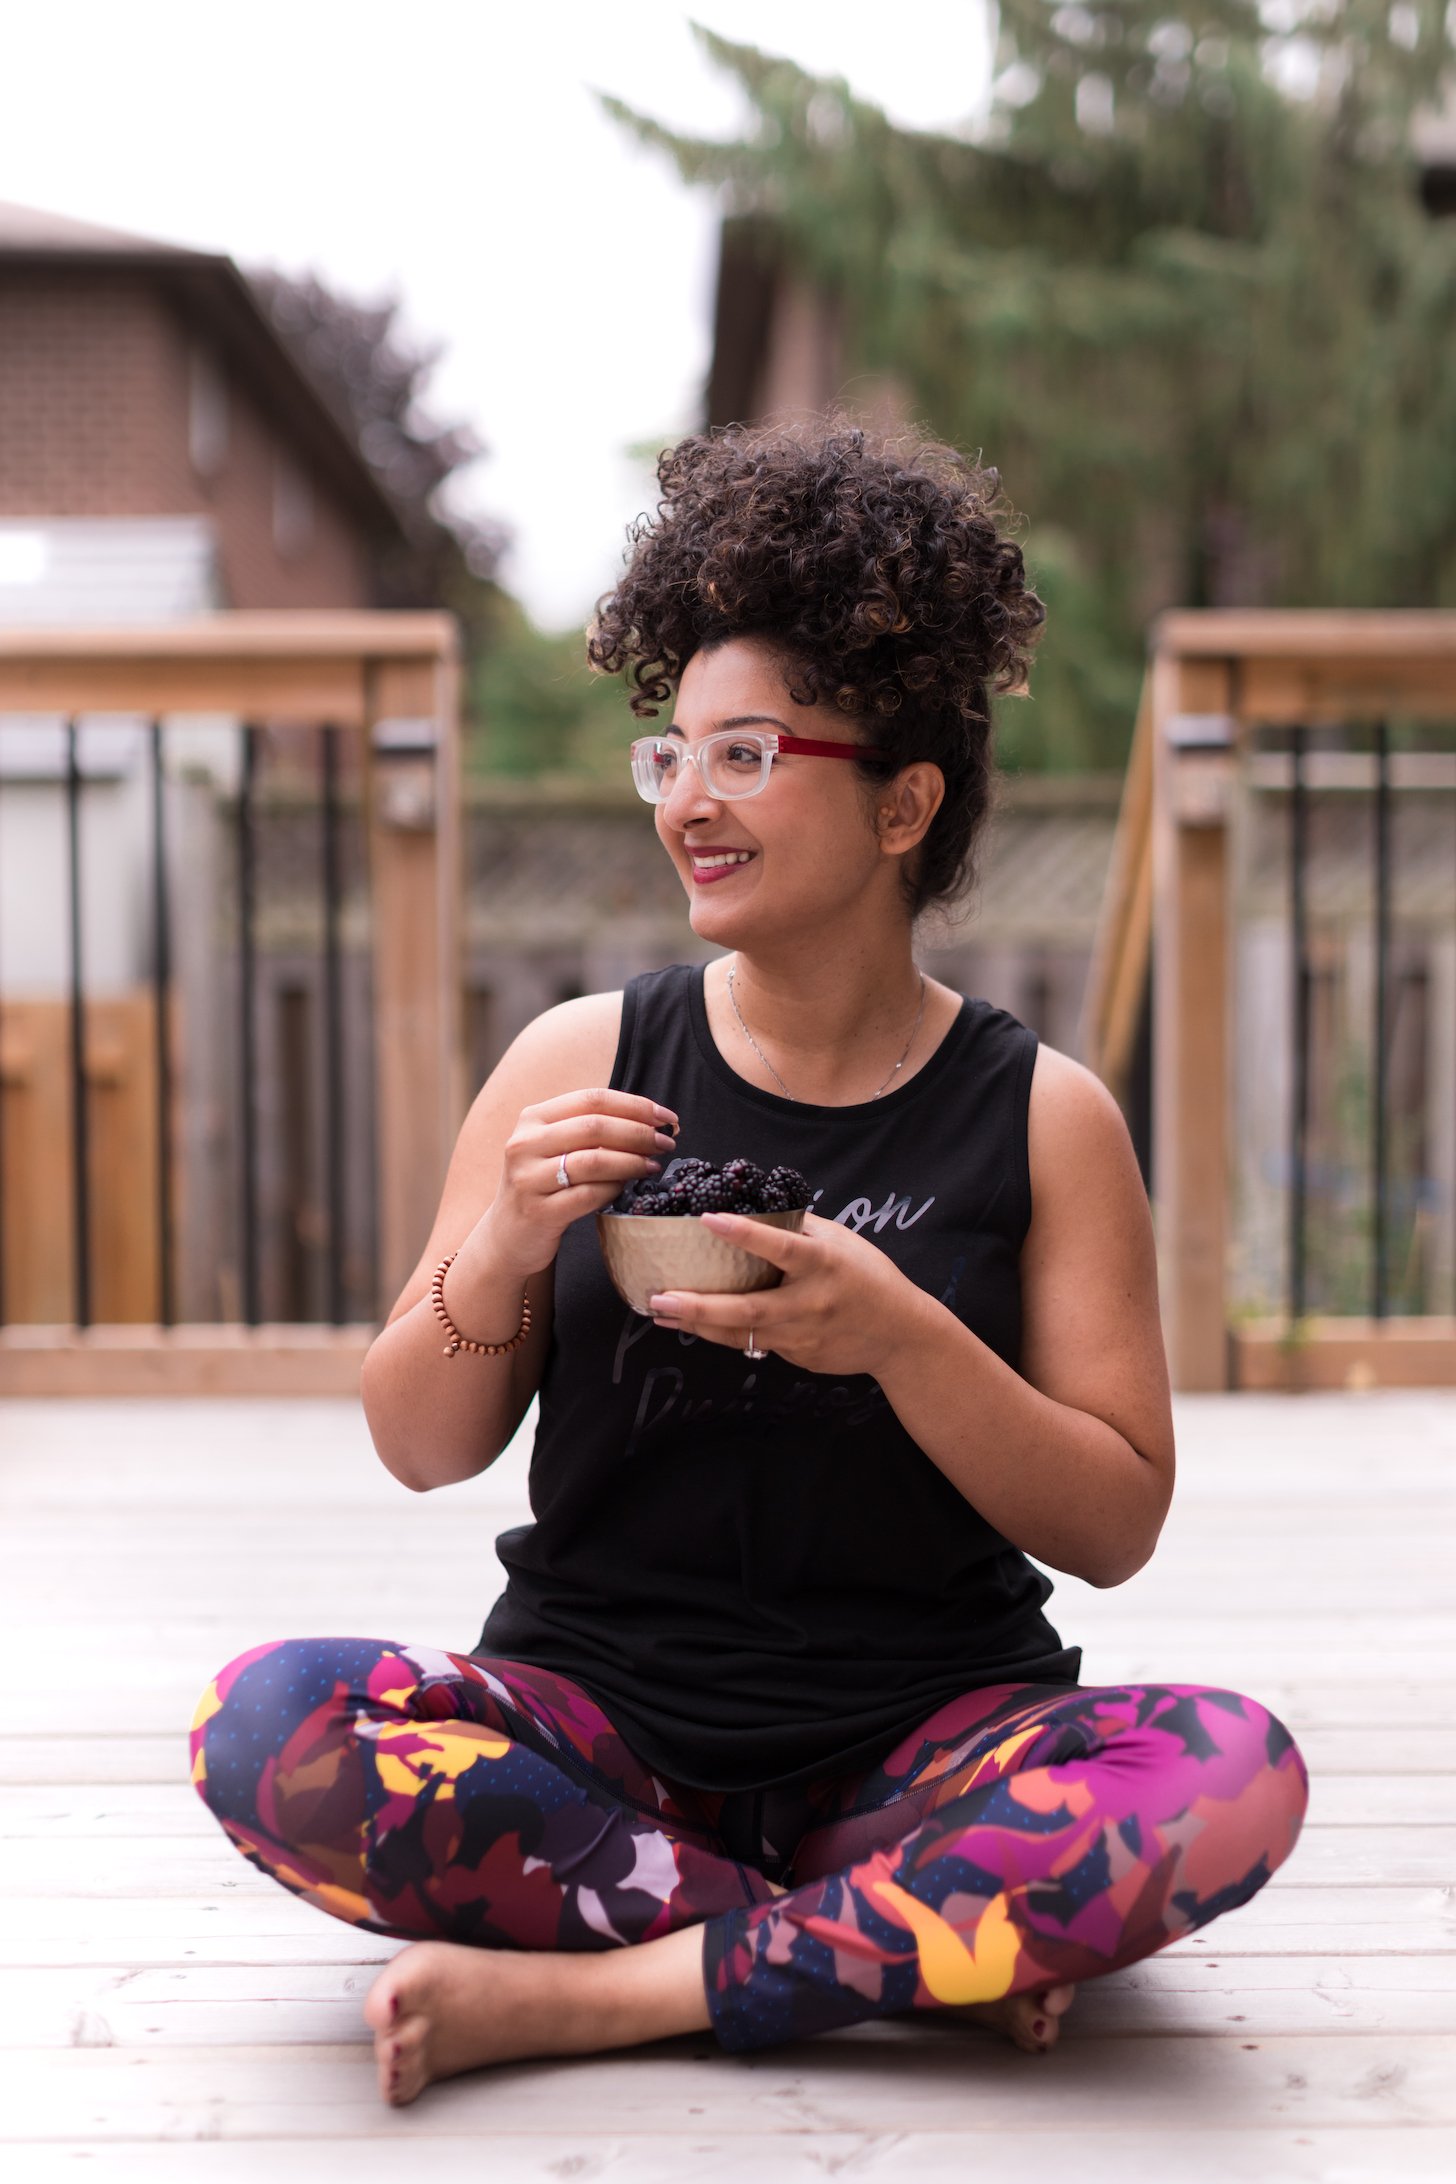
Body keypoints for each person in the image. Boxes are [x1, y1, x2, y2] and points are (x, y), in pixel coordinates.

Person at [190, 417, 1308, 2107]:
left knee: (1230, 1772)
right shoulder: (578, 1062)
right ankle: (892, 1946)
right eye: (672, 756)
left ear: (901, 803)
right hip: (602, 1742)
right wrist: (505, 1234)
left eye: (743, 756)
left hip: (928, 1741)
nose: (684, 804)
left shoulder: (1046, 1117)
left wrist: (907, 1341)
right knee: (267, 1726)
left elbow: (1118, 1520)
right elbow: (418, 1440)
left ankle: (610, 1989)